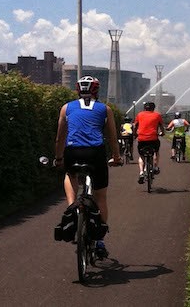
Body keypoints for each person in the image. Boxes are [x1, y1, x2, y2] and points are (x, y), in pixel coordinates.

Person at [54, 75, 121, 258]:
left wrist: (59, 158)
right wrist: (116, 157)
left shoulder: (66, 108)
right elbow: (112, 137)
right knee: (101, 197)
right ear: (96, 90)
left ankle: (72, 206)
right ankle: (100, 241)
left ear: (77, 90)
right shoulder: (105, 109)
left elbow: (60, 137)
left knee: (70, 175)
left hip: (73, 151)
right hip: (96, 153)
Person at [134, 101, 165, 184]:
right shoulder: (157, 115)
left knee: (141, 156)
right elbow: (161, 126)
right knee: (156, 152)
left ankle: (141, 172)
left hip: (142, 139)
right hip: (153, 139)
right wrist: (162, 133)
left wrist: (135, 134)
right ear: (153, 108)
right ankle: (155, 167)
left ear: (145, 108)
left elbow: (135, 126)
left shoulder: (139, 115)